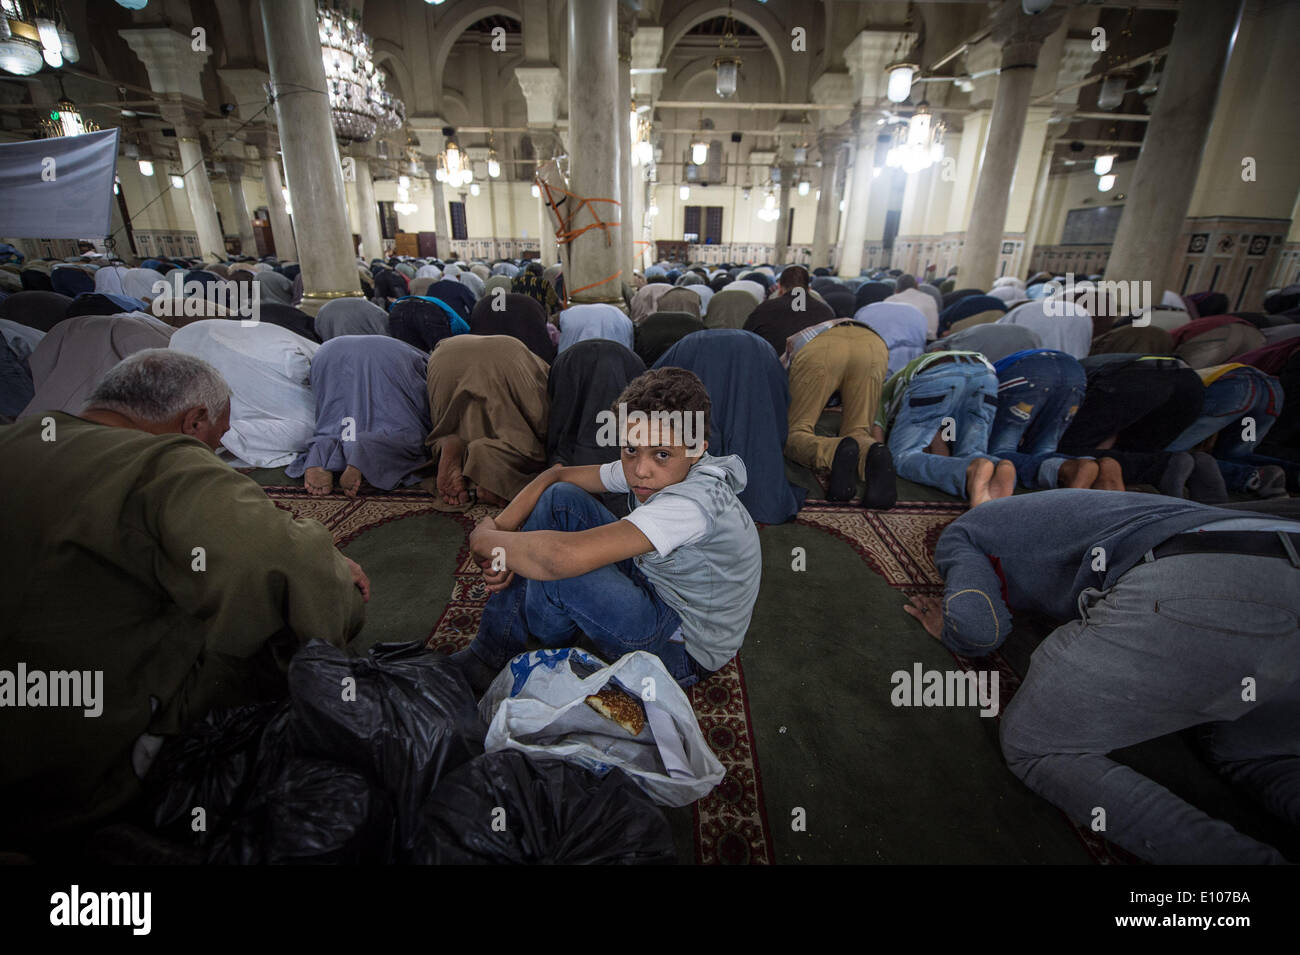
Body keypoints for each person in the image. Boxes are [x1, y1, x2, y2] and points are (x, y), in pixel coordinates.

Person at [0, 349, 368, 844]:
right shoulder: (161, 463)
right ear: (194, 422)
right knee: (300, 603)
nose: (213, 453)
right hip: (77, 769)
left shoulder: (17, 435)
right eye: (216, 442)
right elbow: (279, 562)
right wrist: (333, 578)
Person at [906, 489, 1300, 864]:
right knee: (1261, 755)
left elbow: (980, 629)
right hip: (1268, 557)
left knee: (1036, 746)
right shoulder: (1087, 507)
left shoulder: (963, 531)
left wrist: (950, 628)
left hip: (1208, 583)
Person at [449, 367, 761, 696]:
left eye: (661, 454)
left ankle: (539, 658)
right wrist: (502, 530)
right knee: (560, 502)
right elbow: (556, 479)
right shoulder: (665, 465)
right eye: (630, 450)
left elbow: (558, 559)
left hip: (681, 648)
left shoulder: (689, 507)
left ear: (697, 448)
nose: (641, 470)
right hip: (660, 587)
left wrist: (484, 539)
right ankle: (491, 653)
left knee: (562, 573)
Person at [288, 335, 433, 498]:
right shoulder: (434, 357)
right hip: (388, 358)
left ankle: (320, 454)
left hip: (329, 352)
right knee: (404, 431)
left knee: (336, 424)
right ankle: (365, 451)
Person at [875, 351, 1016, 505]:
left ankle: (968, 472)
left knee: (903, 457)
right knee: (972, 451)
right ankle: (998, 466)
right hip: (984, 374)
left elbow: (878, 443)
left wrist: (882, 457)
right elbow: (942, 428)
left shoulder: (878, 395)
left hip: (937, 374)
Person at [425, 334, 550, 508]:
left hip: (443, 355)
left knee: (455, 423)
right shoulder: (545, 365)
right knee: (525, 439)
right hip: (507, 356)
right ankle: (491, 478)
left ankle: (452, 445)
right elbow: (540, 417)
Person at [784, 320, 897, 507]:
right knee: (858, 430)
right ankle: (872, 451)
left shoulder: (791, 344)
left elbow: (783, 382)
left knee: (796, 430)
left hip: (821, 348)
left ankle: (834, 452)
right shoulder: (819, 323)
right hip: (873, 344)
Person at [743, 265, 834, 357]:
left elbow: (746, 337)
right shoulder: (826, 311)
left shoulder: (764, 308)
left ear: (780, 287)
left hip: (771, 366)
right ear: (809, 289)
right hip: (812, 367)